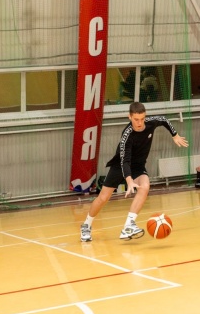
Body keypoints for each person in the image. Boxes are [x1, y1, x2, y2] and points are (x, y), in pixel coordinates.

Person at [79, 102, 188, 242]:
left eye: (142, 119)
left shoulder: (151, 123)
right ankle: (86, 225)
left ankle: (128, 226)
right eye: (136, 119)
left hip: (138, 166)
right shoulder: (127, 135)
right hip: (120, 166)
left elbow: (164, 120)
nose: (140, 123)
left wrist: (175, 135)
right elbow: (125, 161)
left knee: (145, 186)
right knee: (103, 198)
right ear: (129, 117)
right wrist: (129, 180)